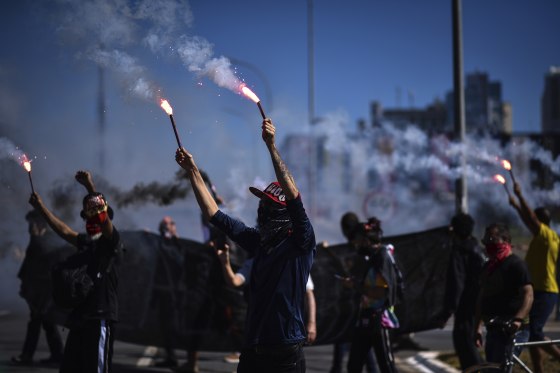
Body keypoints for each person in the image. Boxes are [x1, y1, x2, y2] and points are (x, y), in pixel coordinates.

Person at [175, 117, 316, 372]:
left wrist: (271, 146)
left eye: (269, 205)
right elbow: (214, 214)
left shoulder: (301, 241)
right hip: (253, 348)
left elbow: (293, 195)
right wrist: (193, 172)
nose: (262, 209)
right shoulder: (259, 241)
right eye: (262, 203)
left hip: (285, 351)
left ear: (284, 212)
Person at [28, 170, 122, 373]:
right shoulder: (87, 243)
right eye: (86, 217)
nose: (88, 220)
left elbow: (101, 215)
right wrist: (41, 207)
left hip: (100, 318)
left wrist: (90, 186)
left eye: (92, 216)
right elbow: (63, 230)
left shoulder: (111, 243)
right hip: (81, 319)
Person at [509, 182, 560, 372]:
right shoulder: (545, 236)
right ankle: (538, 369)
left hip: (545, 291)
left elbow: (531, 218)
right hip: (539, 290)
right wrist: (516, 207)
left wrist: (521, 196)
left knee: (534, 332)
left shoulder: (546, 235)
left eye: (534, 222)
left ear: (540, 222)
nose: (530, 226)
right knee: (532, 333)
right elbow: (529, 219)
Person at [346, 218, 402, 373]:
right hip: (366, 318)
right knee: (354, 365)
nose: (355, 245)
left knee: (386, 366)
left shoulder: (382, 257)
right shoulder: (371, 258)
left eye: (357, 241)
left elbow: (380, 292)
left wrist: (356, 286)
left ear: (366, 240)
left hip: (380, 320)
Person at [474, 223, 533, 365]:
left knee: (503, 366)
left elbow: (528, 295)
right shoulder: (488, 267)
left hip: (514, 330)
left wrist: (518, 319)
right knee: (492, 368)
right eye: (486, 241)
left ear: (505, 241)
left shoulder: (516, 265)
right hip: (494, 329)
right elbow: (482, 298)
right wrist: (477, 327)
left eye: (492, 240)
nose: (488, 244)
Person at [11, 209, 64, 366]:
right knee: (47, 323)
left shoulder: (46, 241)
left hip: (44, 292)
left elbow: (46, 269)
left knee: (36, 323)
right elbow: (29, 266)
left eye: (32, 223)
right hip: (39, 292)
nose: (30, 227)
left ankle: (27, 355)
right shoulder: (38, 240)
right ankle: (57, 355)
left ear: (41, 224)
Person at [330, 212, 377, 373]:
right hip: (359, 305)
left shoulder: (361, 252)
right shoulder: (363, 250)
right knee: (361, 347)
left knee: (354, 343)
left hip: (357, 304)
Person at [152, 216, 199, 372]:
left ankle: (191, 360)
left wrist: (175, 239)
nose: (167, 226)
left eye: (170, 223)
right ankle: (171, 358)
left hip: (177, 294)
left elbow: (180, 261)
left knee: (177, 327)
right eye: (164, 224)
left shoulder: (179, 244)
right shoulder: (158, 243)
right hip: (162, 292)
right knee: (164, 327)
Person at [439, 212, 485, 370]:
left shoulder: (460, 251)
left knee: (465, 343)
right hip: (477, 302)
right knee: (469, 341)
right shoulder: (476, 246)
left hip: (466, 305)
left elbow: (456, 285)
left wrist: (447, 312)